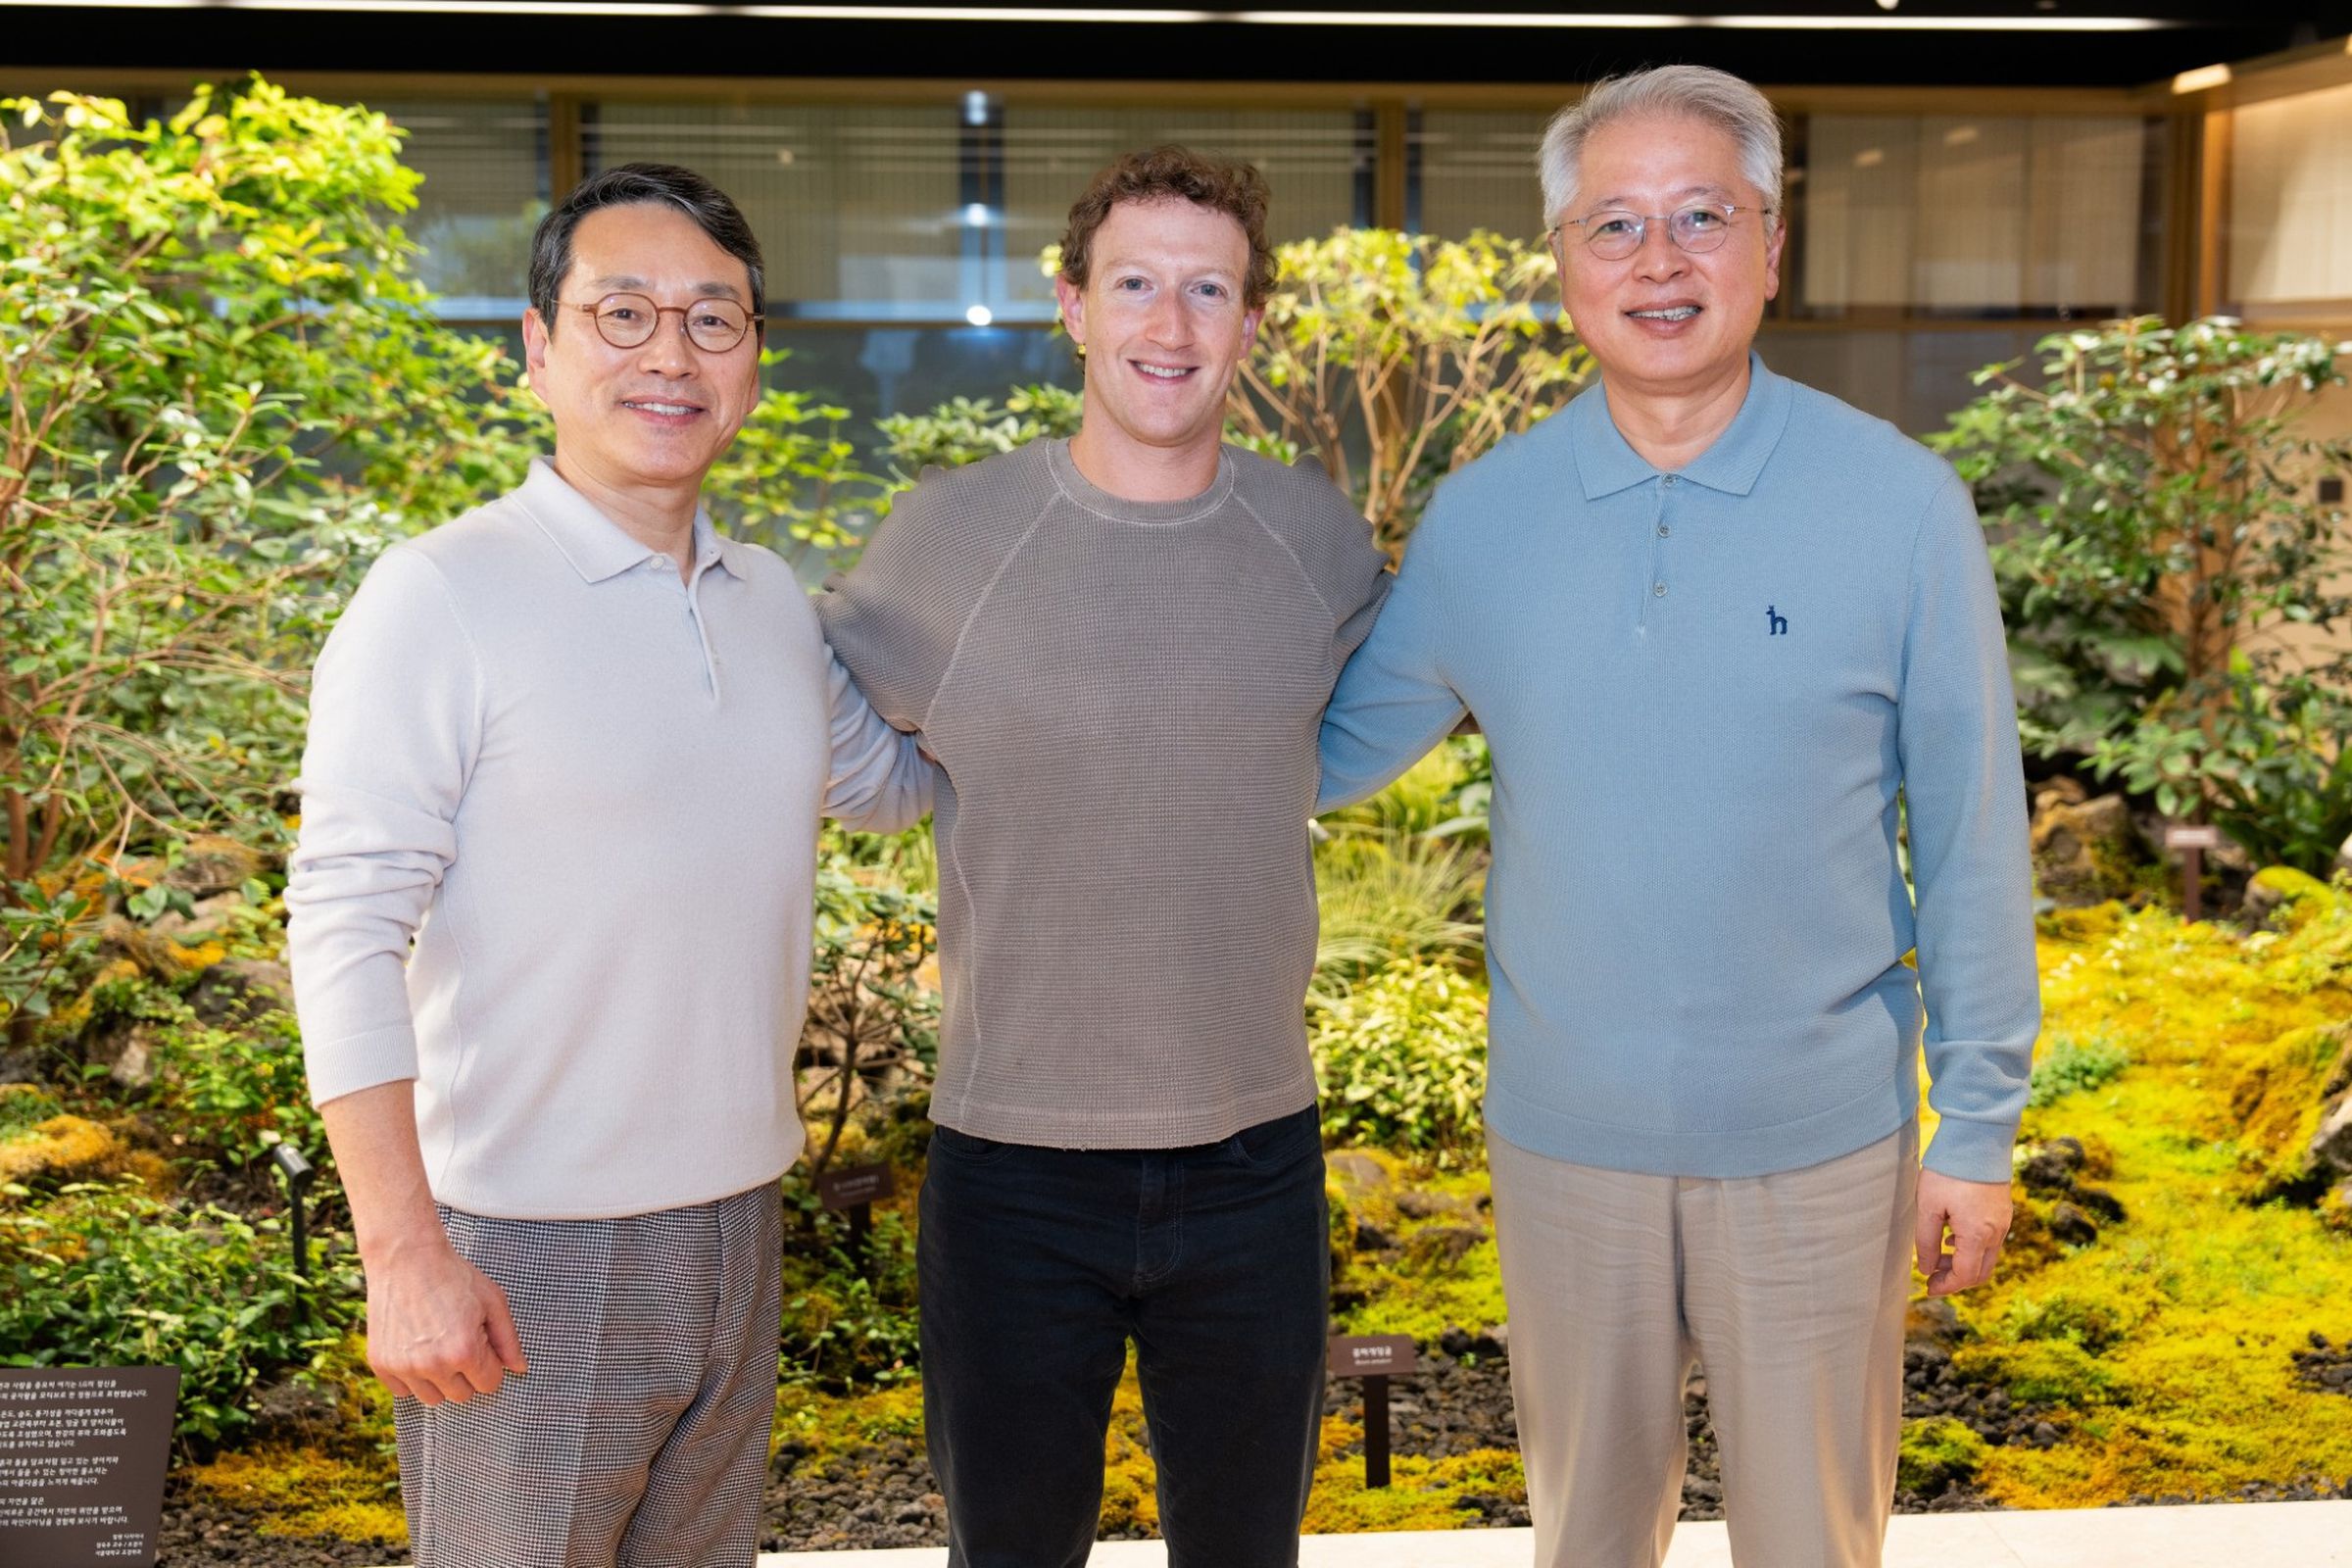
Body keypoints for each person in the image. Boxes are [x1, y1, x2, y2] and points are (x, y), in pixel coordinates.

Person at [1317, 65, 2039, 1568]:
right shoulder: (1485, 519)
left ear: (1772, 247)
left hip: (1824, 1141)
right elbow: (1311, 755)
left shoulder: (1902, 505)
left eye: (1702, 217)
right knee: (1583, 1538)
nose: (1660, 261)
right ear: (1564, 264)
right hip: (1564, 1142)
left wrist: (1975, 1127)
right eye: (1615, 224)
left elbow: (1974, 834)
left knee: (1813, 1541)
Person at [286, 162, 932, 1568]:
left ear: (755, 359)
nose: (670, 354)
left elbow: (894, 787)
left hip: (737, 1226)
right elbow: (340, 929)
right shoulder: (441, 595)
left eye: (714, 319)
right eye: (622, 311)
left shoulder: (767, 602)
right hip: (524, 1244)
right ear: (537, 346)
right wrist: (402, 1258)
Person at [815, 146, 1389, 1568]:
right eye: (1135, 284)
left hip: (1254, 1161)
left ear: (1252, 321)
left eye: (1209, 289)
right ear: (1070, 305)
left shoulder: (1312, 539)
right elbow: (820, 721)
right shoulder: (951, 540)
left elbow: (1350, 723)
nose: (1171, 326)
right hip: (1013, 1165)